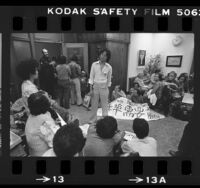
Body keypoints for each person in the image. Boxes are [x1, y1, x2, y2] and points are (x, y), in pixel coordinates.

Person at [16, 59, 75, 124]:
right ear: (31, 73)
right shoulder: (29, 89)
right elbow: (41, 105)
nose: (37, 71)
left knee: (63, 110)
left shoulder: (25, 84)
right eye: (36, 69)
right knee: (65, 114)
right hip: (40, 114)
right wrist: (47, 98)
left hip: (39, 111)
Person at [25, 92, 60, 156]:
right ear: (45, 104)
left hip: (34, 151)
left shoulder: (32, 115)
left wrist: (53, 123)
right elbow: (54, 143)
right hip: (44, 153)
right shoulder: (44, 120)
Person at [88, 48, 112, 124]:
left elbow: (109, 80)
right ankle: (92, 120)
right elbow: (91, 78)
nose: (103, 56)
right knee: (94, 105)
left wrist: (107, 89)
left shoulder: (109, 67)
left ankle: (105, 121)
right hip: (95, 87)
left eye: (105, 55)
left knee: (105, 105)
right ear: (99, 55)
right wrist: (90, 90)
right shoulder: (94, 65)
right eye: (102, 54)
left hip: (104, 87)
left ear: (107, 57)